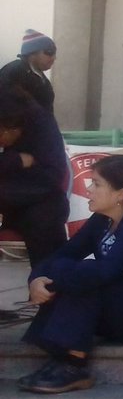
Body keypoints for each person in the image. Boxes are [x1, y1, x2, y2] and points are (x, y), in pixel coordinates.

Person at [17, 155, 123, 394]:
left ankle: (74, 366)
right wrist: (36, 280)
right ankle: (60, 357)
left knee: (90, 276)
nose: (88, 190)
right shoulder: (102, 221)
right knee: (75, 270)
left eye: (96, 184)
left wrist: (55, 280)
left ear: (121, 194)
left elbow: (106, 271)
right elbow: (65, 253)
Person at [0, 89, 69, 267]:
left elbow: (51, 178)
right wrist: (14, 160)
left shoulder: (41, 126)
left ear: (15, 128)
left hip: (35, 198)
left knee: (44, 220)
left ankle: (47, 280)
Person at [0, 29, 57, 114]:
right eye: (49, 52)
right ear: (32, 53)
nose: (54, 58)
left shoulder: (44, 82)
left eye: (54, 53)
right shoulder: (13, 73)